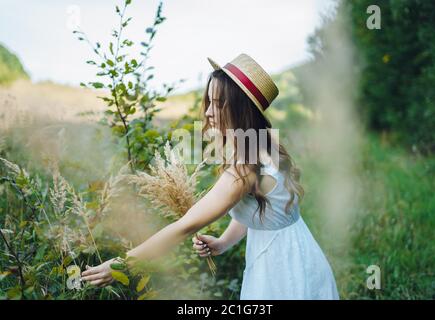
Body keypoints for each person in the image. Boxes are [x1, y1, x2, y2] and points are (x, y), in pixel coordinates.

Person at [81, 53, 339, 300]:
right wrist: (224, 242)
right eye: (209, 102)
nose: (207, 113)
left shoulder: (243, 170)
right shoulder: (267, 141)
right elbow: (266, 211)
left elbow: (186, 225)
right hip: (301, 256)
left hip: (280, 273)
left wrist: (123, 264)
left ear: (241, 108)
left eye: (219, 104)